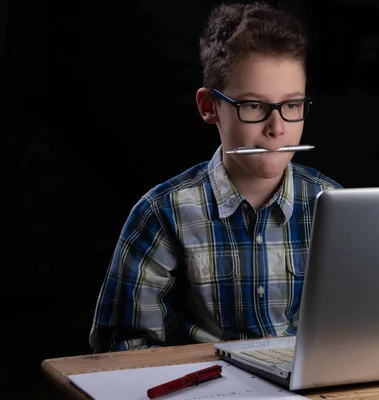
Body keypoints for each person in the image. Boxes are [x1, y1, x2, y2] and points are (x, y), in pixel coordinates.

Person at [89, 1, 342, 352]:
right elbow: (121, 346)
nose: (277, 128)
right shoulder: (162, 213)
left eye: (292, 105)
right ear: (210, 107)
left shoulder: (332, 204)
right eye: (254, 105)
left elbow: (358, 325)